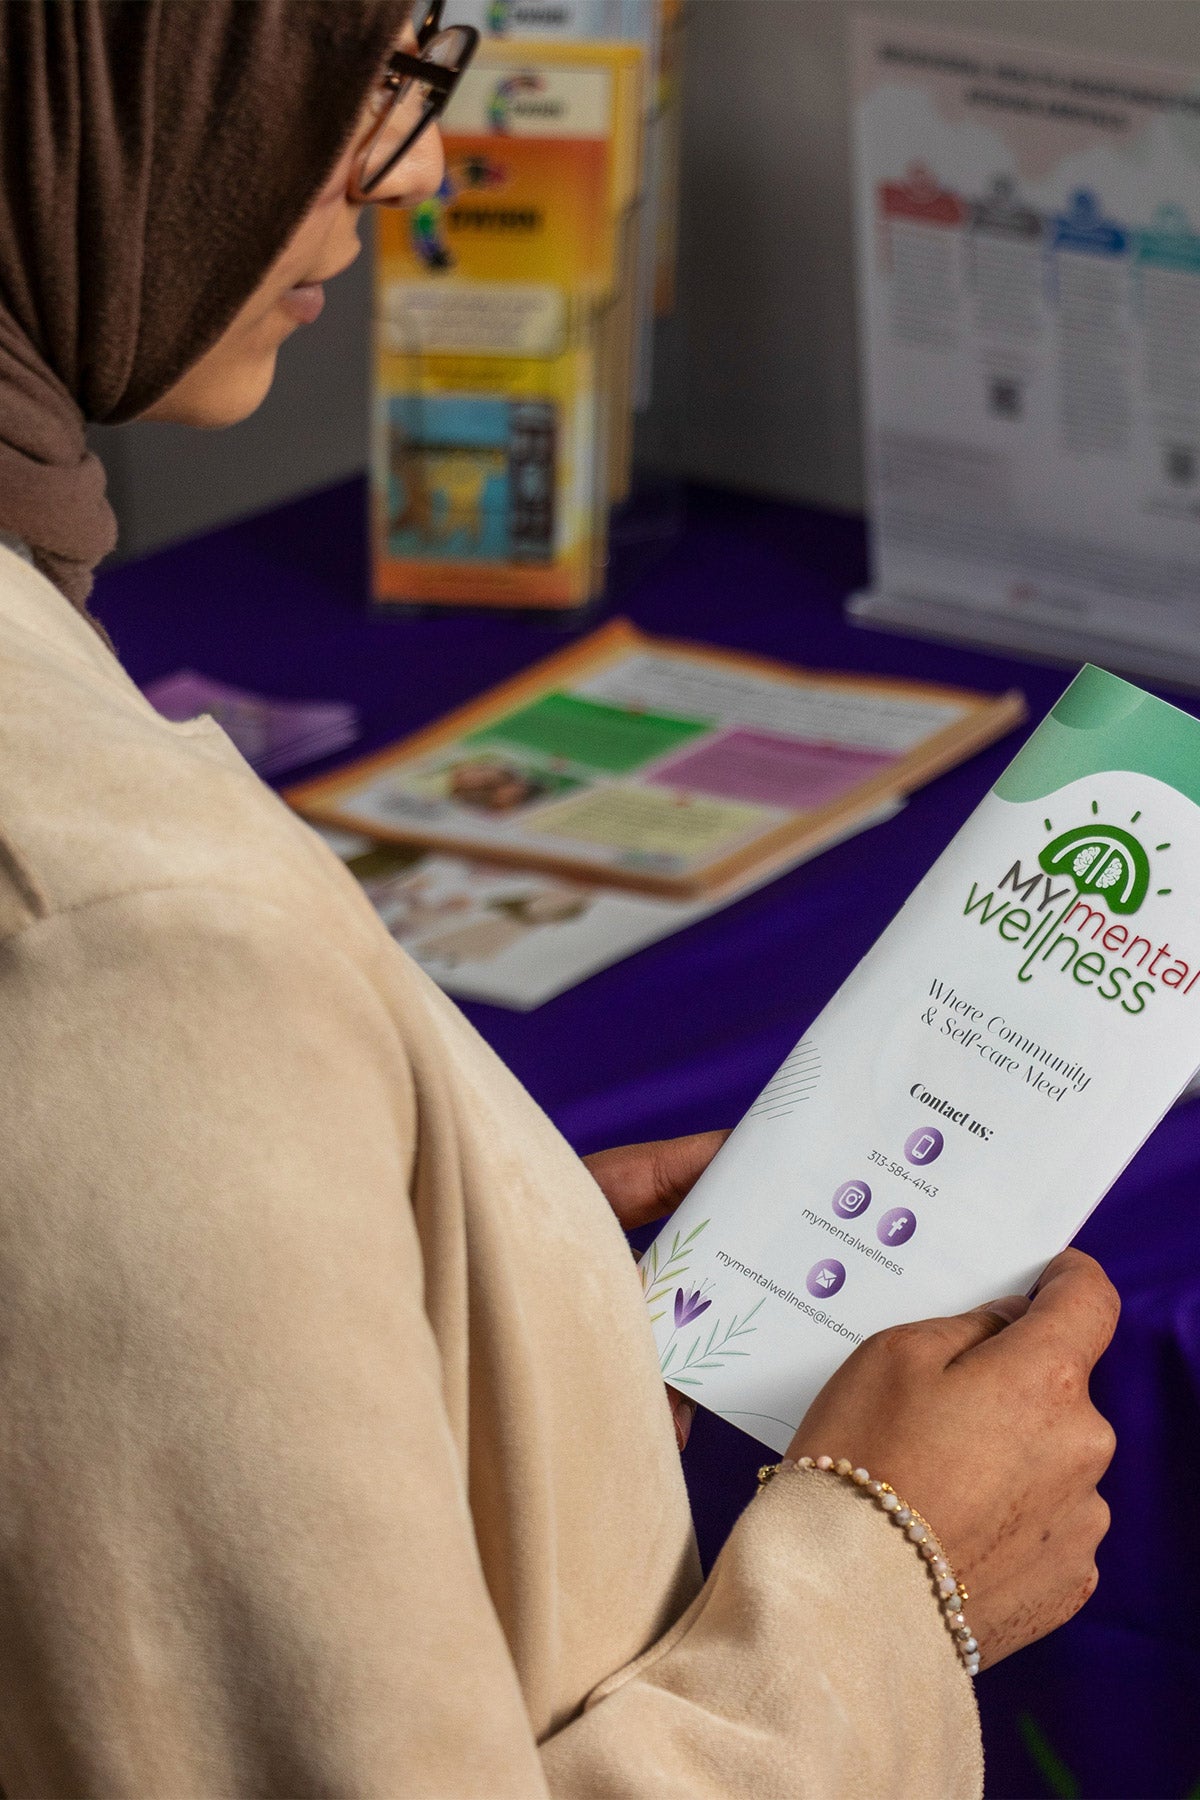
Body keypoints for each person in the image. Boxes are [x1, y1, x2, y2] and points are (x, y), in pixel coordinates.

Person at [0, 5, 1118, 1795]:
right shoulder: (129, 936)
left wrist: (470, 1307)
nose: (425, 158)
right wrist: (900, 1574)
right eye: (372, 63)